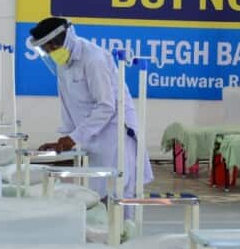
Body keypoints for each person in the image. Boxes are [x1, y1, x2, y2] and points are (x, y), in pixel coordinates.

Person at [28, 16, 153, 199]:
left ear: (60, 41)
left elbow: (106, 106)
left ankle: (126, 228)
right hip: (91, 137)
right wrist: (64, 141)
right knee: (95, 195)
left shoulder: (93, 59)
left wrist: (73, 137)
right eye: (47, 51)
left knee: (119, 194)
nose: (51, 54)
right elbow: (68, 105)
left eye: (51, 48)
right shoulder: (62, 65)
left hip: (115, 134)